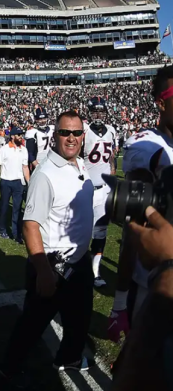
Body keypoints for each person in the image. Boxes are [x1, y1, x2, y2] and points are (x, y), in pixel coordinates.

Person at [1, 111, 94, 388]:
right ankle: (8, 368)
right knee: (33, 323)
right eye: (65, 132)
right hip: (53, 263)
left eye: (76, 133)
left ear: (82, 136)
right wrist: (42, 270)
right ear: (55, 135)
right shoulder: (45, 173)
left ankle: (69, 358)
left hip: (79, 259)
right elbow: (30, 225)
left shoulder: (79, 164)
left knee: (79, 318)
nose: (71, 138)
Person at [109, 65, 173, 344]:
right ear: (161, 103)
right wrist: (120, 302)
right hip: (155, 281)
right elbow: (132, 228)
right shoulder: (146, 146)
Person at [114, 206, 173, 390]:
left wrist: (168, 266)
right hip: (144, 286)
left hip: (157, 288)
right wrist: (119, 302)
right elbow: (131, 241)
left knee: (144, 366)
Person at [83, 96, 117, 288]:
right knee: (82, 231)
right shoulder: (84, 130)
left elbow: (112, 157)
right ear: (89, 112)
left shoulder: (111, 130)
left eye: (101, 111)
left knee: (101, 232)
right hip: (85, 189)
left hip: (103, 190)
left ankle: (95, 272)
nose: (98, 115)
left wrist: (112, 174)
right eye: (95, 111)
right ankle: (76, 268)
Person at [0, 127, 31, 243]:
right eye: (18, 135)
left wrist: (29, 183)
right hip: (6, 182)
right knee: (3, 207)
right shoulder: (4, 149)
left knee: (17, 209)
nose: (21, 137)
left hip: (19, 183)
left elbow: (25, 168)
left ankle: (16, 233)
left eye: (21, 135)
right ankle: (1, 229)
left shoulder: (24, 150)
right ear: (12, 136)